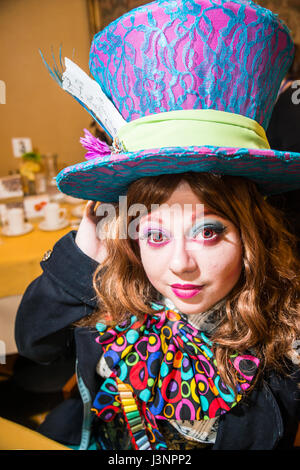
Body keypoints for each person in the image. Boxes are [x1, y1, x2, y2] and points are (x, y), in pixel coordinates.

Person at [15, 0, 300, 450]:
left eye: (208, 231)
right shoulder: (121, 289)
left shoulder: (282, 330)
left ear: (252, 234)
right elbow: (36, 346)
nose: (180, 265)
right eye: (156, 234)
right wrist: (83, 254)